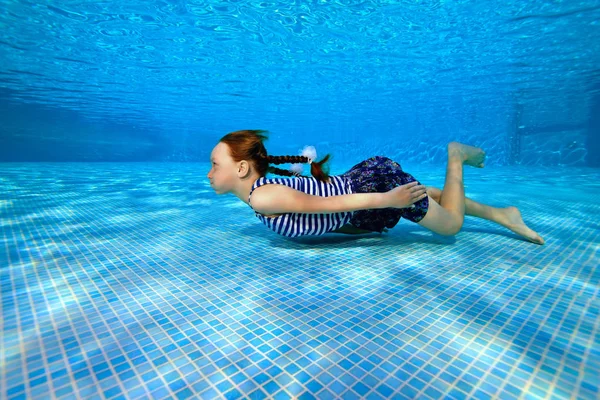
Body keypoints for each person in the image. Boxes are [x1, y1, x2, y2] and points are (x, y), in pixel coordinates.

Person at [207, 130, 544, 245]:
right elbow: (326, 218)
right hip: (366, 196)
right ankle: (504, 214)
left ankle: (455, 156)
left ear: (240, 168)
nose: (209, 173)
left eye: (215, 164)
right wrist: (366, 227)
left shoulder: (263, 196)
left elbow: (332, 205)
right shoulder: (264, 192)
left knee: (450, 226)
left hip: (371, 187)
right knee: (431, 197)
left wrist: (388, 199)